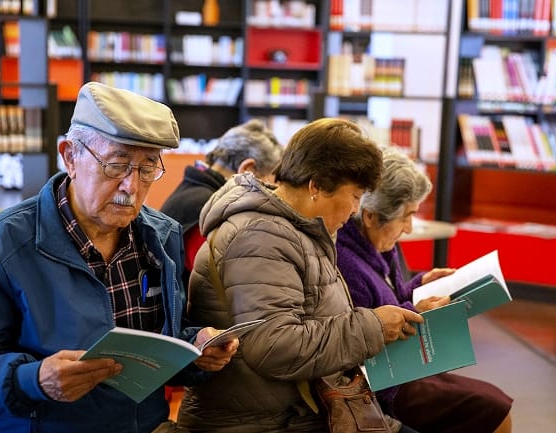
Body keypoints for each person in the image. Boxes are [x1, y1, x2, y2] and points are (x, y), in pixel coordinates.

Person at [0, 82, 237, 433]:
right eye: (116, 165)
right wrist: (32, 380)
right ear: (70, 156)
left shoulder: (162, 236)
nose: (132, 186)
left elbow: (154, 347)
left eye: (146, 169)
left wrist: (195, 349)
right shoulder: (1, 244)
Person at [177, 118, 424, 433]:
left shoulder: (298, 231)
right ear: (316, 185)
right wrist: (372, 326)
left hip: (302, 409)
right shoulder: (259, 238)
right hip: (263, 421)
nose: (355, 210)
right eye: (355, 195)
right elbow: (276, 347)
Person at [336, 146, 513, 433]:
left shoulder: (378, 245)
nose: (408, 228)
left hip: (407, 367)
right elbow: (361, 334)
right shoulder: (345, 261)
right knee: (493, 410)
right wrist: (415, 312)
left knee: (491, 401)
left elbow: (387, 297)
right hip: (384, 382)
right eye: (406, 216)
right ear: (370, 216)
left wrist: (419, 285)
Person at [161, 118, 283, 280]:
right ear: (248, 169)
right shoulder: (207, 206)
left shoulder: (193, 191)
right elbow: (216, 278)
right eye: (271, 180)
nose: (273, 190)